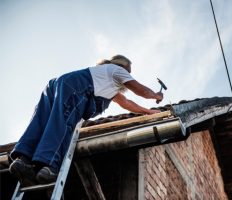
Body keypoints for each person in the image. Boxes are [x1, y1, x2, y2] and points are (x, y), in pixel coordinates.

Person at [9, 55, 163, 186]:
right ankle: (48, 166)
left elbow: (126, 103)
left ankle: (23, 161)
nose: (128, 75)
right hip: (76, 88)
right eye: (128, 71)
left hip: (55, 85)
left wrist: (148, 112)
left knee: (41, 122)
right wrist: (156, 95)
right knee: (63, 122)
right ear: (122, 66)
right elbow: (140, 90)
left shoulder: (105, 78)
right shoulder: (117, 71)